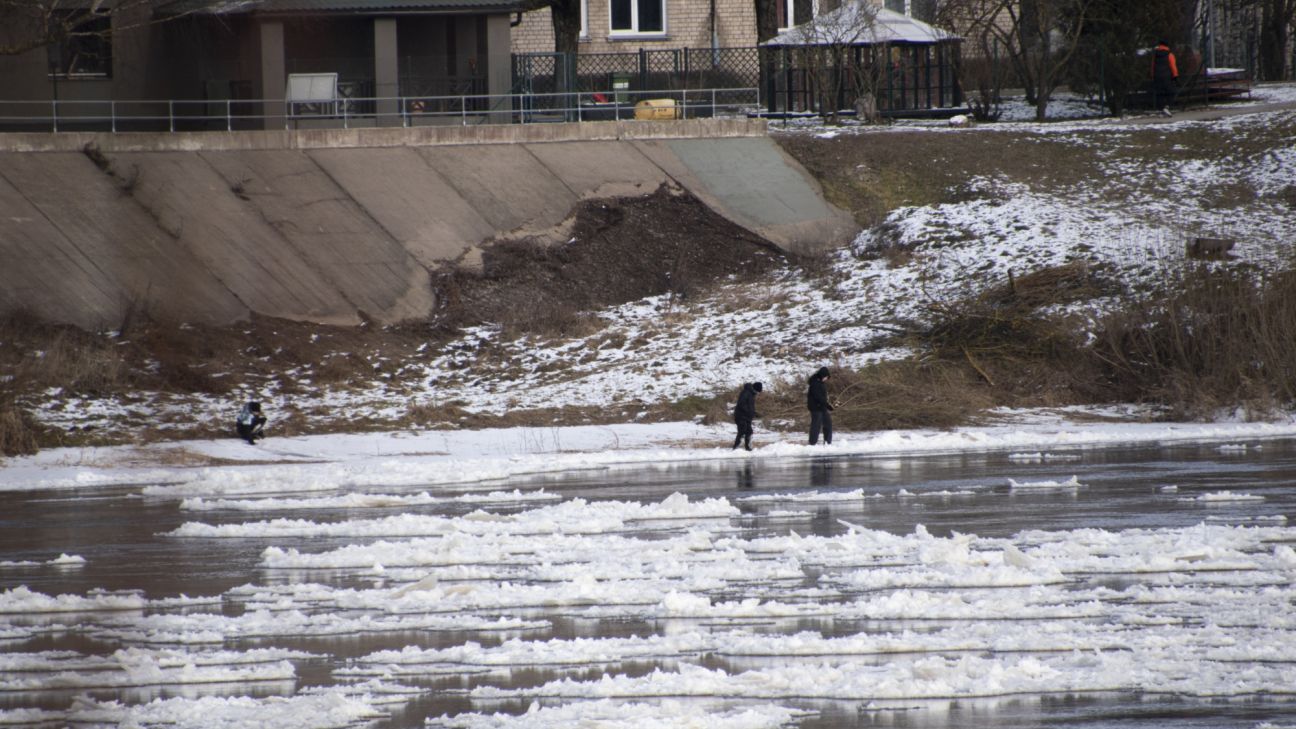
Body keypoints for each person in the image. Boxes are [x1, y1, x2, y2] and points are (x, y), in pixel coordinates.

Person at [1151, 39, 1179, 116]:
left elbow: (1153, 66)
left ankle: (1162, 109)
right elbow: (1173, 66)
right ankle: (1167, 107)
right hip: (1167, 77)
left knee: (1160, 94)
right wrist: (1175, 76)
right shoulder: (1169, 54)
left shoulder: (1155, 54)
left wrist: (1153, 76)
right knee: (1171, 92)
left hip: (1157, 77)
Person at [806, 366, 833, 445]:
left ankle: (828, 442)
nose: (826, 379)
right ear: (822, 375)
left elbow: (823, 397)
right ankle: (812, 443)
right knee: (816, 425)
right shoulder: (815, 383)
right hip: (815, 408)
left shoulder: (821, 383)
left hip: (822, 407)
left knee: (828, 423)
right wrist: (827, 405)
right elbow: (818, 397)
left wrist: (828, 404)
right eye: (826, 377)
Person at [732, 381, 762, 451]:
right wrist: (749, 412)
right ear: (755, 389)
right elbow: (741, 404)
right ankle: (736, 448)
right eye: (757, 392)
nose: (757, 394)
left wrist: (754, 413)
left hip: (747, 417)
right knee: (742, 431)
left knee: (749, 432)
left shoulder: (751, 394)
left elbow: (749, 406)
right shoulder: (746, 393)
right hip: (741, 416)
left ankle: (748, 448)